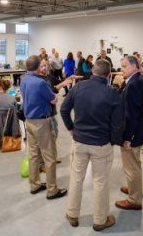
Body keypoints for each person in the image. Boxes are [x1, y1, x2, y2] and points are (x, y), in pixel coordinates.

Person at [60, 59, 123, 231]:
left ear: (93, 70)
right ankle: (100, 220)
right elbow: (118, 123)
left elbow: (64, 109)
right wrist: (113, 141)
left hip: (80, 141)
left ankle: (72, 214)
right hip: (101, 144)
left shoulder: (79, 87)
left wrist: (71, 128)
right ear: (109, 75)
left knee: (76, 178)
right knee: (100, 182)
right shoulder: (112, 93)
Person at [19, 55, 67, 200]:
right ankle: (52, 190)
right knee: (49, 156)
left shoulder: (24, 79)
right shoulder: (40, 83)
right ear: (37, 66)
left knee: (33, 155)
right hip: (41, 123)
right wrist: (54, 95)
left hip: (29, 121)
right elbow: (53, 99)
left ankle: (34, 184)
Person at [116, 56, 143, 211]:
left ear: (134, 66)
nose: (121, 70)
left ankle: (135, 200)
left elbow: (132, 114)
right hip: (137, 131)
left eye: (124, 67)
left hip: (134, 133)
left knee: (132, 166)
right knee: (134, 164)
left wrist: (128, 137)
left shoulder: (135, 83)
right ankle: (134, 188)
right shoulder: (135, 80)